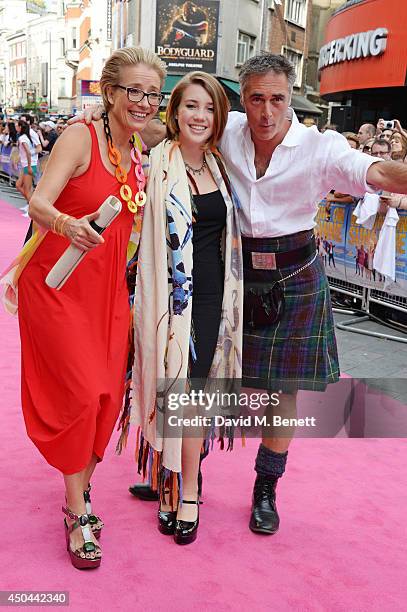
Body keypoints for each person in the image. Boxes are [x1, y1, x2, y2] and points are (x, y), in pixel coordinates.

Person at [79, 52, 407, 537]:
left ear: (290, 97)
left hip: (293, 275)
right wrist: (99, 116)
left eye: (277, 99)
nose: (267, 112)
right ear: (243, 98)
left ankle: (265, 488)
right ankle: (182, 470)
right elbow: (156, 134)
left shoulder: (322, 147)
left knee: (280, 394)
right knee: (197, 372)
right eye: (256, 99)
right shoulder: (224, 129)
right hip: (227, 270)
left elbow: (378, 173)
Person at [2, 47, 166, 569]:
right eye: (133, 91)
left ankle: (78, 492)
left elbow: (198, 128)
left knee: (105, 400)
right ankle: (78, 511)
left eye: (152, 94)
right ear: (110, 93)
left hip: (108, 289)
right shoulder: (80, 137)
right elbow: (38, 203)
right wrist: (68, 224)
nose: (143, 102)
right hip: (57, 285)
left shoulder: (138, 147)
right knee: (79, 393)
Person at [129, 72, 243, 545]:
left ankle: (187, 489)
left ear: (219, 118)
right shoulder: (156, 162)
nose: (200, 116)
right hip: (166, 296)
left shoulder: (221, 165)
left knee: (191, 395)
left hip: (214, 296)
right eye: (191, 106)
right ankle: (168, 479)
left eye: (209, 108)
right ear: (174, 113)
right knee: (168, 386)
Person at [15, 120, 38, 204]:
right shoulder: (24, 137)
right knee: (18, 185)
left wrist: (28, 166)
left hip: (29, 165)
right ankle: (31, 204)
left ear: (20, 127)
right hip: (26, 165)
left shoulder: (22, 138)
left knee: (27, 189)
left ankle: (33, 207)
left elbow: (28, 152)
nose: (15, 127)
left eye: (17, 126)